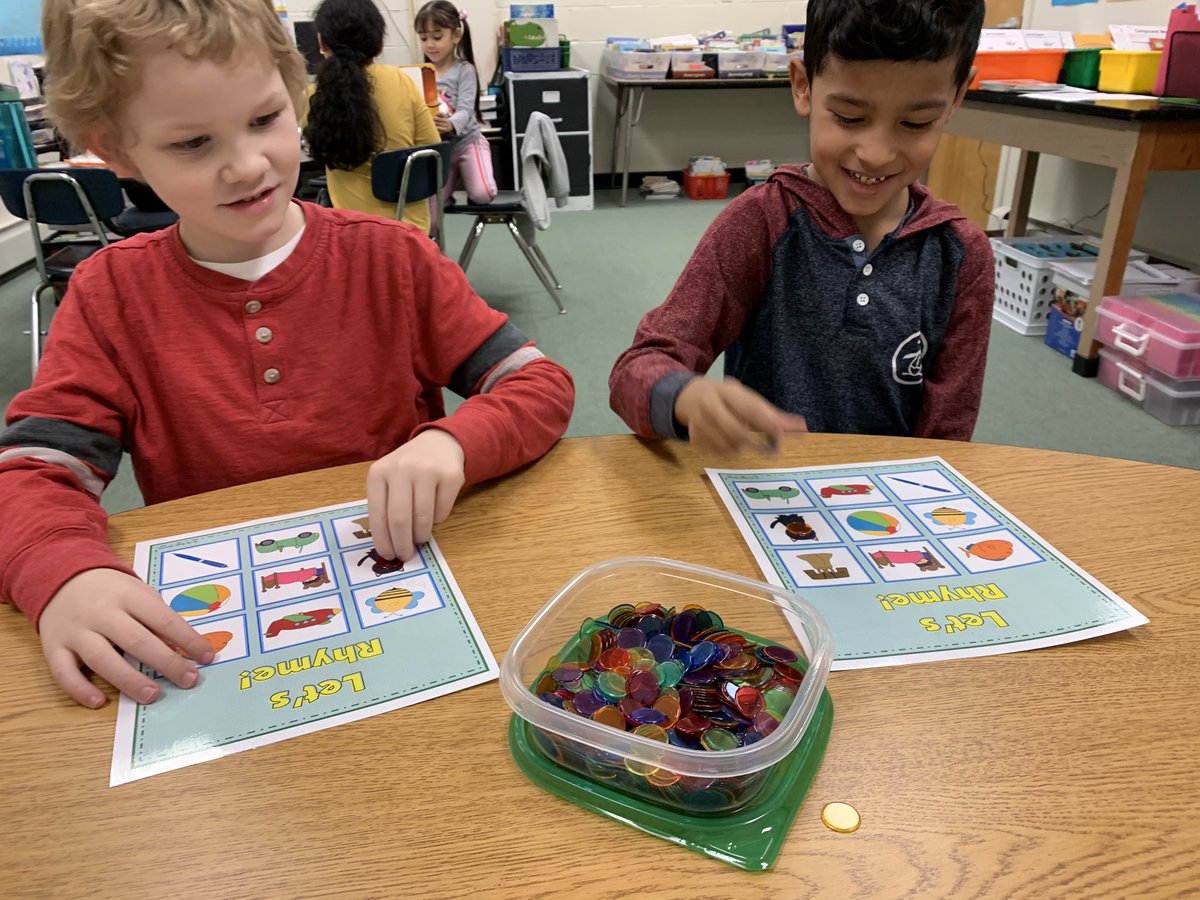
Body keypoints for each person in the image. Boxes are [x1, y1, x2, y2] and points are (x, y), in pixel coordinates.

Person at [0, 0, 574, 710]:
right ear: (115, 152)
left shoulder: (393, 258)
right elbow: (30, 474)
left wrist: (454, 444)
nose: (247, 166)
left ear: (293, 89)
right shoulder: (107, 295)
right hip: (226, 640)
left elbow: (538, 385)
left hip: (400, 603)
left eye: (265, 120)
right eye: (192, 145)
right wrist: (61, 573)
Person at [609, 0, 994, 455]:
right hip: (776, 498)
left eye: (916, 123)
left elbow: (950, 439)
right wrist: (684, 396)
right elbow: (636, 370)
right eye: (850, 117)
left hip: (891, 506)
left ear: (956, 100)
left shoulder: (962, 254)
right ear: (803, 86)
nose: (876, 152)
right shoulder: (761, 222)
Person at [303, 0, 440, 230]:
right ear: (379, 46)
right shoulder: (402, 81)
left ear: (322, 42)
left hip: (353, 233)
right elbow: (431, 148)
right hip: (411, 233)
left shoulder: (315, 95)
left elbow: (310, 149)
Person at [414, 0, 497, 206]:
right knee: (431, 215)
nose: (429, 44)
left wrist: (451, 124)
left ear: (456, 36)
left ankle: (472, 177)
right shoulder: (421, 73)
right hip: (440, 150)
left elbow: (466, 110)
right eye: (423, 38)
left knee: (482, 194)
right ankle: (447, 195)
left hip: (468, 143)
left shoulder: (464, 70)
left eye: (437, 37)